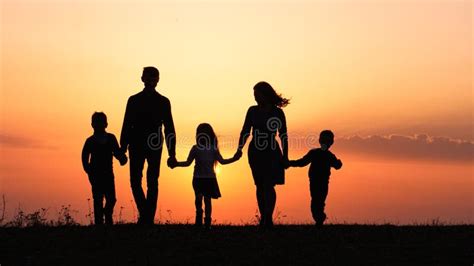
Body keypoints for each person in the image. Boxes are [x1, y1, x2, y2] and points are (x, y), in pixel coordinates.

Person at [120, 66, 177, 225]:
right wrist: (123, 147)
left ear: (157, 80)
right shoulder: (133, 100)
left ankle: (146, 218)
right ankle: (146, 215)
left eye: (154, 77)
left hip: (153, 143)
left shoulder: (163, 102)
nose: (151, 80)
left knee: (152, 181)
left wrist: (172, 153)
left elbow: (169, 128)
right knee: (136, 181)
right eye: (148, 77)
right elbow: (127, 124)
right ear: (142, 79)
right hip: (137, 142)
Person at [237, 81, 289, 229]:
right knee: (259, 185)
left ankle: (268, 217)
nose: (254, 97)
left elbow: (284, 135)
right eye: (253, 95)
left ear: (264, 94)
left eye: (256, 94)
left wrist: (285, 156)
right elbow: (245, 131)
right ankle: (263, 217)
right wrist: (239, 149)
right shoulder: (252, 111)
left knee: (269, 185)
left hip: (272, 151)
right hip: (255, 152)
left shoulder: (278, 112)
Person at [169, 123, 242, 229]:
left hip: (209, 179)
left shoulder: (213, 149)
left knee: (207, 200)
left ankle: (207, 222)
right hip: (198, 178)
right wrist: (176, 164)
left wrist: (234, 158)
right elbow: (188, 163)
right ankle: (199, 218)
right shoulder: (195, 148)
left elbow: (222, 161)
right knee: (198, 199)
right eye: (200, 133)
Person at [288, 130, 342, 226]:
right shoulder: (328, 155)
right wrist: (290, 163)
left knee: (317, 201)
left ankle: (319, 219)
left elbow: (302, 162)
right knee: (319, 201)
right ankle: (320, 219)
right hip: (319, 182)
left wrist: (290, 163)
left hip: (318, 182)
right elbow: (337, 166)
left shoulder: (318, 154)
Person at [81, 112, 127, 225]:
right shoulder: (90, 141)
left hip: (108, 175)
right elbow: (84, 157)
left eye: (101, 122)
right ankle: (100, 226)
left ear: (106, 124)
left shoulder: (111, 138)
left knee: (111, 199)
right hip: (95, 175)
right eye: (97, 122)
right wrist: (89, 171)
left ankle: (107, 216)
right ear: (92, 124)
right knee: (98, 200)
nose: (99, 125)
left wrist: (122, 158)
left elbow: (116, 152)